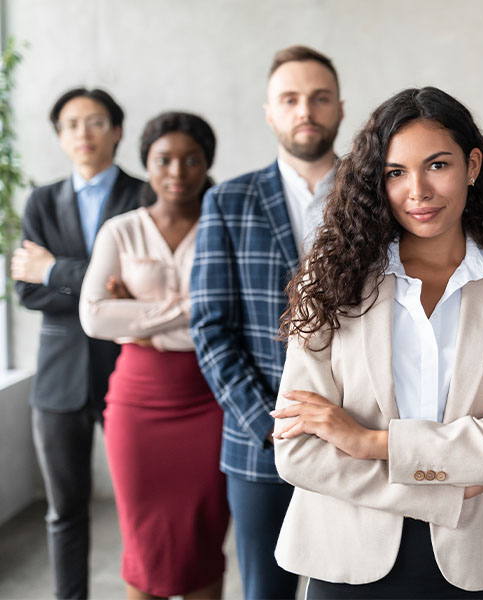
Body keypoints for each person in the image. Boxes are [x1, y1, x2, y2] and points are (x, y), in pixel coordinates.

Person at [270, 86, 483, 599]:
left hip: (482, 562)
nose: (419, 191)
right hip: (348, 562)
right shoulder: (331, 280)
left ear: (472, 166)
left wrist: (370, 443)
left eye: (437, 165)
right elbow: (298, 453)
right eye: (396, 172)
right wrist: (456, 488)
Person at [189, 44, 343, 599]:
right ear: (271, 112)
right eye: (291, 99)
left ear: (340, 109)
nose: (306, 110)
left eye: (319, 98)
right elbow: (210, 328)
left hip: (357, 436)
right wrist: (267, 424)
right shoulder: (229, 201)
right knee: (265, 591)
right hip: (258, 443)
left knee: (349, 585)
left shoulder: (377, 195)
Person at [79, 112, 228, 600]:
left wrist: (137, 313)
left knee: (204, 542)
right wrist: (194, 310)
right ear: (146, 163)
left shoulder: (222, 228)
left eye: (191, 160)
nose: (177, 171)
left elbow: (238, 313)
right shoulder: (120, 232)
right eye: (164, 159)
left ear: (207, 164)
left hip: (209, 399)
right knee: (143, 545)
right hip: (137, 403)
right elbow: (96, 317)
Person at [12, 87, 142, 599]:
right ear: (60, 137)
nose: (82, 133)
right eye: (70, 124)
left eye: (94, 122)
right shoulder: (42, 201)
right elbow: (26, 289)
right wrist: (97, 287)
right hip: (58, 379)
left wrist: (55, 271)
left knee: (139, 506)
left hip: (129, 371)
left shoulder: (145, 195)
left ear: (117, 130)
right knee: (64, 511)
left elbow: (142, 289)